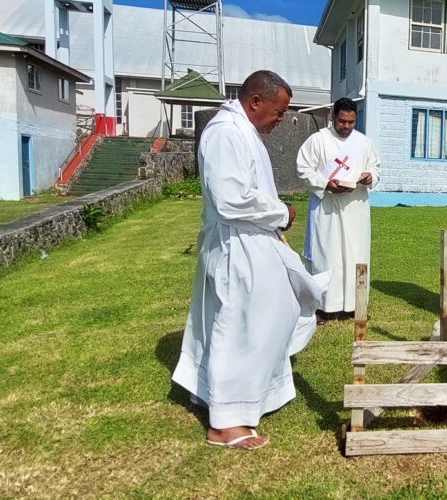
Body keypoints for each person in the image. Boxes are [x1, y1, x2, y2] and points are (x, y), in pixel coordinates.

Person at [172, 70, 327, 450]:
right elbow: (230, 199)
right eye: (279, 111)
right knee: (238, 324)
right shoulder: (226, 132)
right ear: (256, 101)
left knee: (275, 312)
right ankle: (225, 424)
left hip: (253, 239)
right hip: (235, 244)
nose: (281, 118)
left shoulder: (243, 131)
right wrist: (280, 213)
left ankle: (240, 395)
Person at [296, 97, 381, 324]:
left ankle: (356, 305)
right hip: (327, 208)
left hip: (355, 207)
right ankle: (324, 307)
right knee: (327, 255)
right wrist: (325, 183)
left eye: (351, 122)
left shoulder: (364, 142)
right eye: (342, 121)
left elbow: (375, 166)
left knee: (357, 254)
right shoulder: (318, 140)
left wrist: (370, 176)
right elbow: (303, 169)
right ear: (334, 117)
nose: (346, 126)